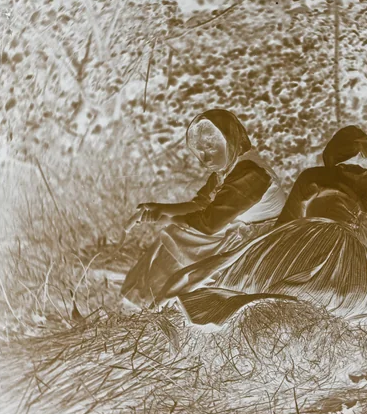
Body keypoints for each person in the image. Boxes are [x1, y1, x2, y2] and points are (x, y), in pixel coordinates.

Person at [160, 126, 367, 325]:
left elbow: (288, 221)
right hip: (346, 244)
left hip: (307, 233)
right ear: (360, 156)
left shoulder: (313, 175)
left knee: (261, 272)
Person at [120, 109, 284, 306]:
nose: (205, 159)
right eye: (200, 152)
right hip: (236, 229)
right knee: (177, 232)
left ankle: (148, 301)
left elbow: (209, 224)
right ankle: (140, 299)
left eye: (211, 149)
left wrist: (165, 217)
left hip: (258, 239)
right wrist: (159, 207)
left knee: (176, 234)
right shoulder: (228, 168)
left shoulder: (249, 173)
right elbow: (201, 204)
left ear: (230, 141)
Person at [276, 125, 367, 245]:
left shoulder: (311, 176)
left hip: (313, 239)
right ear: (363, 156)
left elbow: (286, 223)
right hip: (355, 247)